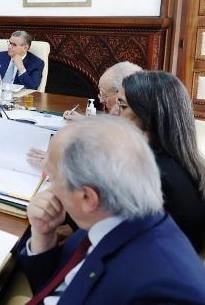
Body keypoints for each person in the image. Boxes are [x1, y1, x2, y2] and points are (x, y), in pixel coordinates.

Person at [18, 117, 205, 304]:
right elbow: (52, 289)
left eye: (52, 177)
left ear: (87, 197)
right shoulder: (107, 219)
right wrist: (43, 235)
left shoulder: (163, 293)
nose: (49, 188)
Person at [117, 71, 205, 253]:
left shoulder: (153, 174)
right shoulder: (190, 163)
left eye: (122, 106)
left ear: (147, 113)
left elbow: (116, 235)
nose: (115, 113)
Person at [62, 61, 142, 120]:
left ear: (121, 92)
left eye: (104, 95)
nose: (101, 100)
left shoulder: (139, 118)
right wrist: (83, 120)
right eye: (101, 94)